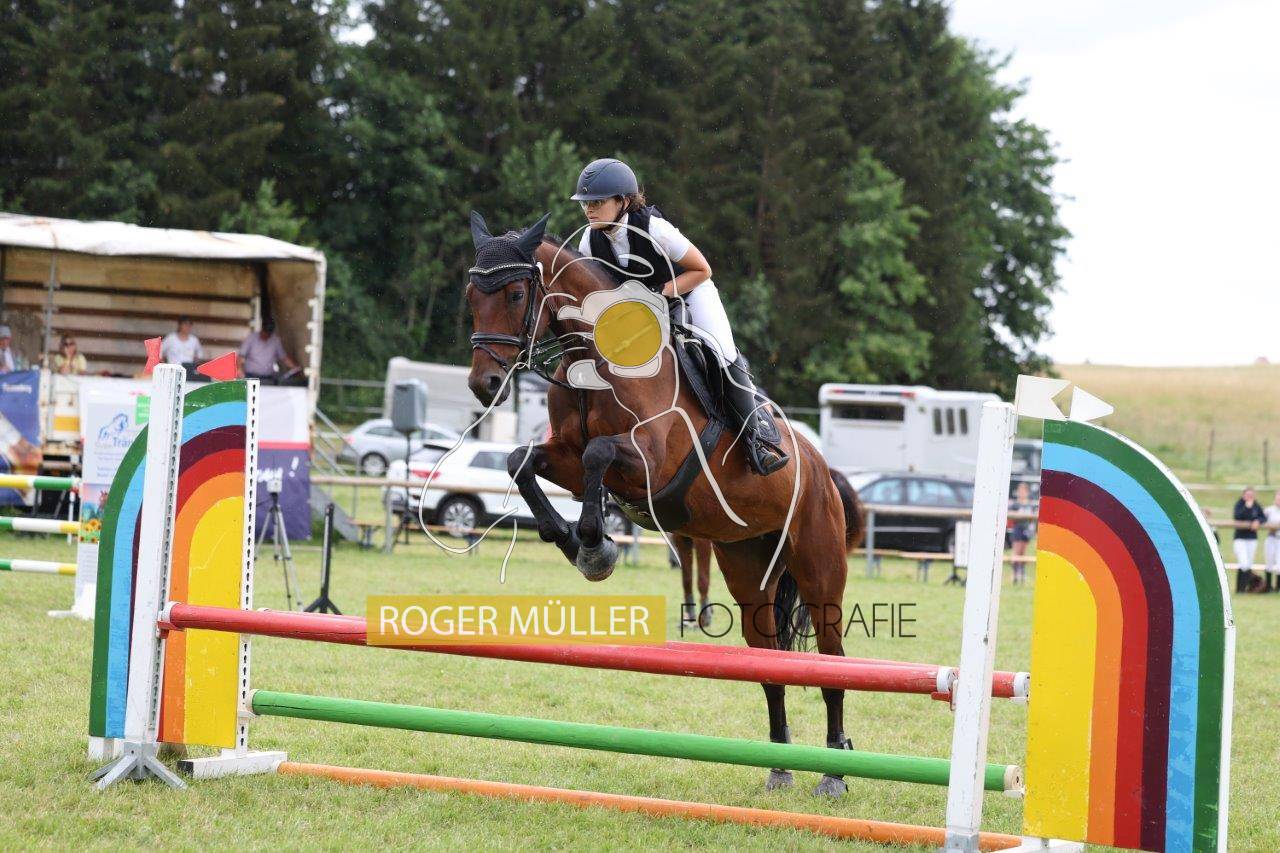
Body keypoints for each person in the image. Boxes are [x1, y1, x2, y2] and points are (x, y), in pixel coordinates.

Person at [570, 157, 787, 475]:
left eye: (597, 202)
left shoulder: (655, 229)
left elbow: (702, 269)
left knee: (721, 353)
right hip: (641, 313)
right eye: (585, 203)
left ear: (623, 201)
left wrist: (661, 293)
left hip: (689, 293)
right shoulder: (589, 241)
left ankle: (757, 441)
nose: (589, 210)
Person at [1232, 487, 1266, 593]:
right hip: (1240, 538)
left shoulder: (1256, 505)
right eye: (1248, 495)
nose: (1250, 497)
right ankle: (1240, 589)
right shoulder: (1240, 505)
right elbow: (1237, 516)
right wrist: (1247, 507)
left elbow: (1263, 517)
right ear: (1243, 495)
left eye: (1251, 495)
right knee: (1243, 563)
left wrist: (1258, 521)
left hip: (1251, 538)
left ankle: (1245, 588)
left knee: (1249, 563)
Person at [1009, 482, 1035, 584]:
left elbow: (1032, 518)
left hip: (1026, 530)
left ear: (1027, 492)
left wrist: (1031, 530)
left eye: (1023, 491)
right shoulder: (1015, 504)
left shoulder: (1030, 504)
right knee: (1016, 552)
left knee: (1023, 553)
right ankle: (1015, 575)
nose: (1021, 493)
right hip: (1018, 529)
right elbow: (1010, 515)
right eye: (1020, 491)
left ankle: (1022, 574)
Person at [1264, 490, 1280, 593]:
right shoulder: (1269, 510)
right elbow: (1262, 519)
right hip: (1271, 538)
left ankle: (1278, 588)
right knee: (1269, 562)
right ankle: (1268, 587)